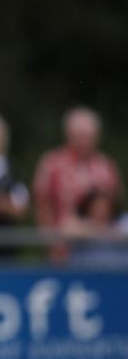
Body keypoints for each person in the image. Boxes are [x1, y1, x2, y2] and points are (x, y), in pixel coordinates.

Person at [33, 107, 123, 261]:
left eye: (88, 136)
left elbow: (117, 204)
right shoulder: (52, 164)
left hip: (103, 248)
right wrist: (52, 242)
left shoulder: (106, 166)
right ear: (69, 135)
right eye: (80, 136)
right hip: (64, 247)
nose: (84, 141)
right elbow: (43, 205)